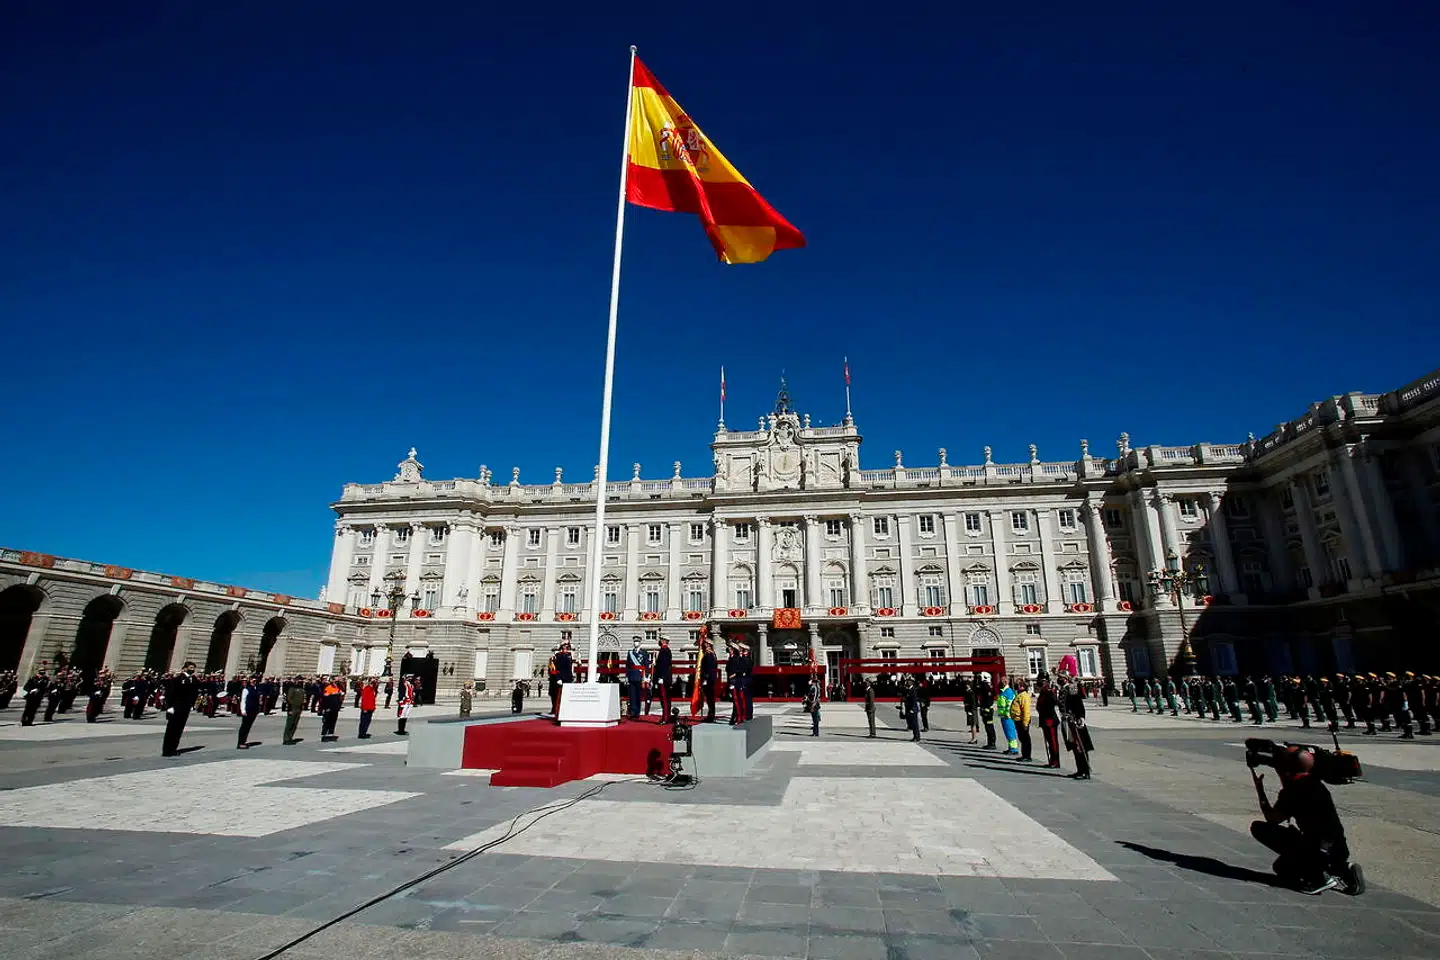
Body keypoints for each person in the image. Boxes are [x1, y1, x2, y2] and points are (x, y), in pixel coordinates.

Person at [1251, 746, 1364, 896]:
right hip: (1338, 847)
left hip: (1317, 851)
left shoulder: (1294, 791)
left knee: (1260, 829)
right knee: (1282, 868)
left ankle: (1318, 878)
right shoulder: (1315, 782)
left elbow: (1272, 819)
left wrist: (1260, 790)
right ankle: (1343, 868)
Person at [162, 662, 200, 757]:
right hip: (175, 707)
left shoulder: (194, 680)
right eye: (190, 667)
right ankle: (167, 750)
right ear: (185, 668)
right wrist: (169, 706)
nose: (192, 669)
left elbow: (194, 694)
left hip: (185, 708)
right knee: (171, 729)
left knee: (179, 729)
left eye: (193, 668)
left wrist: (192, 704)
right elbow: (170, 693)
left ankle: (173, 748)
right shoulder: (177, 679)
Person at [1036, 676, 1062, 769]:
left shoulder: (1048, 691)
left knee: (1053, 742)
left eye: (1041, 681)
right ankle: (1052, 760)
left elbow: (1053, 703)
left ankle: (1055, 761)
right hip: (1045, 719)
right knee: (1049, 742)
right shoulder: (1043, 691)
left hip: (1050, 719)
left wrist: (1053, 692)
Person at [625, 637, 650, 720]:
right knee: (632, 695)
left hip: (640, 676)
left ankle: (637, 712)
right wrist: (626, 676)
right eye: (635, 641)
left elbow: (646, 665)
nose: (636, 643)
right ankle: (632, 712)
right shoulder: (630, 653)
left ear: (640, 643)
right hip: (631, 676)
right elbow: (628, 665)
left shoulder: (644, 653)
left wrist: (646, 676)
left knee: (638, 696)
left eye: (637, 641)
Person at [1010, 680, 1033, 761]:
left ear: (1023, 687)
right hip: (1017, 720)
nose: (1017, 687)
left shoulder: (1024, 696)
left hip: (1022, 720)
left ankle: (1027, 756)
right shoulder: (1019, 695)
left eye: (1018, 685)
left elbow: (1026, 711)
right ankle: (1024, 755)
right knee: (1022, 738)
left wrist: (1025, 723)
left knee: (1025, 738)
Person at [236, 676, 261, 749]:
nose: (254, 682)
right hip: (247, 710)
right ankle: (240, 743)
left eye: (255, 681)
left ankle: (244, 741)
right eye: (253, 681)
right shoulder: (246, 689)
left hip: (254, 710)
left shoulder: (256, 689)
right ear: (249, 681)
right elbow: (243, 700)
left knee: (248, 727)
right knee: (244, 727)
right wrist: (243, 710)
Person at [652, 636, 673, 720]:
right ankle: (666, 716)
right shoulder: (665, 650)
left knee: (664, 698)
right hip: (665, 678)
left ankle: (665, 718)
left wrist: (661, 677)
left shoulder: (664, 651)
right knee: (665, 698)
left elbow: (663, 665)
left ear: (664, 641)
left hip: (663, 678)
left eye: (661, 640)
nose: (659, 641)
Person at [699, 640, 718, 722]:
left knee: (710, 699)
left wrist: (705, 679)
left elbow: (709, 668)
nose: (704, 645)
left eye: (706, 644)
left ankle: (711, 716)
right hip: (709, 679)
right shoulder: (710, 654)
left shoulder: (709, 655)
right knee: (709, 699)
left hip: (709, 680)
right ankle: (710, 715)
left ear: (708, 645)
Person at [977, 672, 997, 749]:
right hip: (987, 709)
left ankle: (992, 743)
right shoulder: (988, 686)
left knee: (989, 727)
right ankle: (990, 742)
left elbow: (987, 700)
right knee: (988, 726)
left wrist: (985, 709)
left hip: (987, 710)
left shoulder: (985, 686)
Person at [283, 678, 306, 744]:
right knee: (290, 724)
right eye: (299, 681)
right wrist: (289, 709)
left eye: (301, 681)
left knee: (295, 724)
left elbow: (303, 700)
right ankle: (286, 739)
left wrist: (302, 708)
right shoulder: (292, 689)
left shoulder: (302, 690)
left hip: (298, 708)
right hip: (293, 708)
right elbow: (289, 699)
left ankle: (290, 737)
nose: (301, 682)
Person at [319, 677, 343, 741]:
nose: (336, 682)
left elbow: (340, 694)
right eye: (335, 680)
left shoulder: (337, 688)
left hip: (335, 707)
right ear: (332, 680)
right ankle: (324, 735)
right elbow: (325, 698)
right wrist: (325, 708)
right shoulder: (328, 687)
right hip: (329, 707)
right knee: (327, 722)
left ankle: (330, 734)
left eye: (337, 681)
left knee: (333, 722)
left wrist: (339, 694)